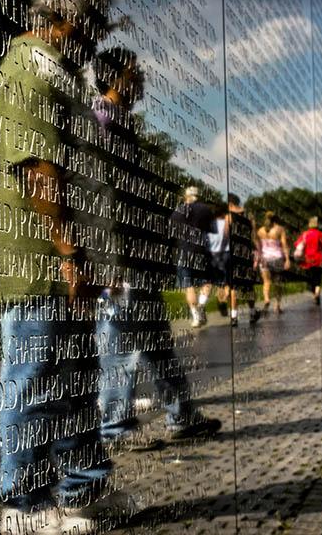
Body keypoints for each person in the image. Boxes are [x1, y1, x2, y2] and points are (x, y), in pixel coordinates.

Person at [0, 0, 114, 534]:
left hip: (61, 264)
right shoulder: (29, 71)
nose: (98, 37)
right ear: (70, 18)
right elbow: (40, 172)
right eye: (95, 24)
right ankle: (26, 509)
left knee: (73, 379)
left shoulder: (53, 71)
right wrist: (69, 252)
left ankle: (79, 492)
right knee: (33, 379)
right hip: (39, 262)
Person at [91, 47, 222, 455]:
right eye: (135, 72)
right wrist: (110, 256)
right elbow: (100, 192)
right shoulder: (103, 118)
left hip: (136, 254)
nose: (142, 78)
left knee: (154, 340)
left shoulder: (120, 121)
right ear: (115, 78)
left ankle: (181, 414)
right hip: (121, 258)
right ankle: (114, 427)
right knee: (119, 345)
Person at [172, 186, 216, 328]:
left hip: (184, 249)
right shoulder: (205, 209)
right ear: (198, 195)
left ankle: (196, 317)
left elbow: (173, 231)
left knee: (188, 285)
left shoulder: (178, 210)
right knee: (206, 281)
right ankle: (202, 305)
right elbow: (213, 230)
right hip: (201, 249)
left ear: (186, 196)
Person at [226, 194, 261, 326]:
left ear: (229, 204)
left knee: (234, 286)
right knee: (248, 286)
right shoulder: (249, 216)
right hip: (246, 254)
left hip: (233, 253)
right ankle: (252, 313)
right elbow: (254, 237)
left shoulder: (228, 217)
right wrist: (258, 254)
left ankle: (234, 317)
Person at [256, 211, 290, 313]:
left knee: (266, 282)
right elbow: (284, 245)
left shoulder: (260, 230)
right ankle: (277, 306)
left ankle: (266, 299)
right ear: (276, 218)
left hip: (264, 259)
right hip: (277, 259)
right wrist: (287, 259)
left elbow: (258, 247)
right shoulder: (280, 229)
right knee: (278, 283)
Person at [295, 216, 322, 305]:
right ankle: (317, 292)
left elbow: (297, 244)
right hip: (318, 258)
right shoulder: (320, 234)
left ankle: (314, 294)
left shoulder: (305, 234)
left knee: (310, 278)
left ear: (309, 225)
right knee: (318, 278)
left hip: (308, 259)